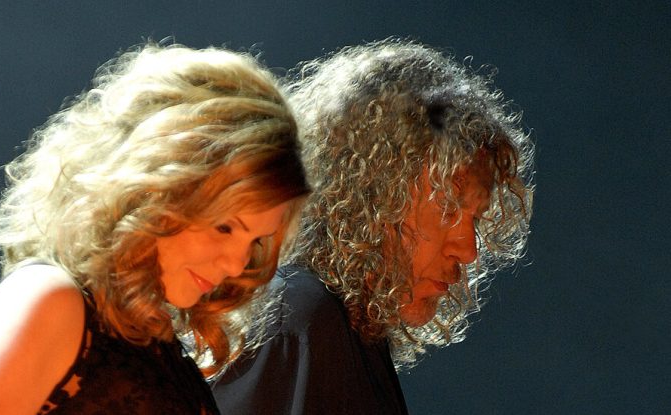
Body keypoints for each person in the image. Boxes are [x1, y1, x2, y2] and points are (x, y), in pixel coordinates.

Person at [0, 42, 309, 414]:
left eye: (255, 241)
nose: (236, 264)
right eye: (225, 227)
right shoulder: (51, 300)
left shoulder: (153, 335)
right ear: (155, 187)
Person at [212, 39, 534, 414]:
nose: (468, 249)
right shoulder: (299, 319)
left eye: (474, 219)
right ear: (375, 191)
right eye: (448, 208)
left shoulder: (343, 328)